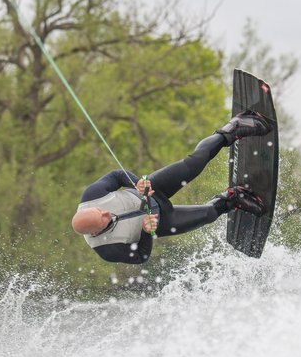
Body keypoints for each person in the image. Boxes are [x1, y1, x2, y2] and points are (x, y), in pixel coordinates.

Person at [71, 111, 274, 264]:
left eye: (100, 210)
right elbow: (141, 256)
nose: (106, 212)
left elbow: (115, 175)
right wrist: (145, 231)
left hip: (150, 192)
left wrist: (137, 183)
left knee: (193, 164)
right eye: (103, 218)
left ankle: (232, 129)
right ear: (95, 232)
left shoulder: (92, 195)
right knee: (210, 214)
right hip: (160, 222)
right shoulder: (106, 250)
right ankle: (233, 198)